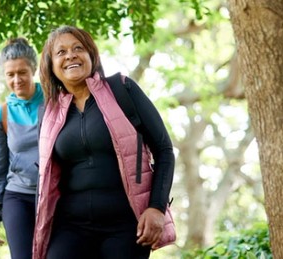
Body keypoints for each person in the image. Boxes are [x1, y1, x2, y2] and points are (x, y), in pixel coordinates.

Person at [32, 26, 176, 259]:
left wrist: (157, 207)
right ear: (50, 65)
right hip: (70, 227)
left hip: (126, 227)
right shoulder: (47, 114)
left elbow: (164, 150)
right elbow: (44, 177)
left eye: (78, 48)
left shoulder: (122, 89)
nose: (71, 55)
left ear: (91, 56)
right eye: (61, 52)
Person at [0, 37, 44, 259]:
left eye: (22, 72)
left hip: (53, 195)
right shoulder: (2, 114)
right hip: (17, 196)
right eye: (10, 74)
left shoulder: (55, 102)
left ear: (34, 70)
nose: (17, 79)